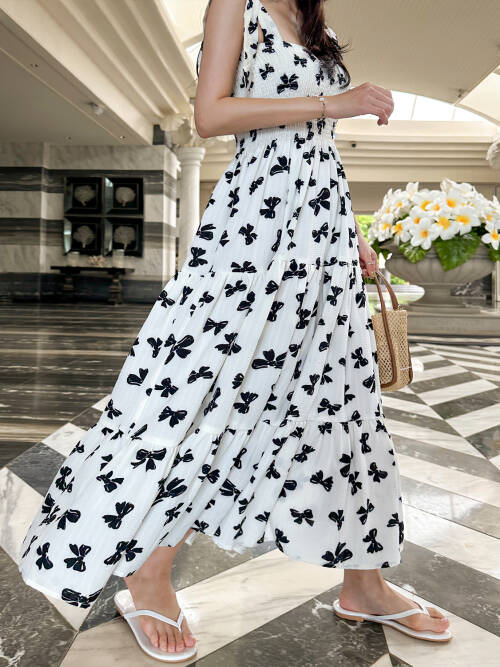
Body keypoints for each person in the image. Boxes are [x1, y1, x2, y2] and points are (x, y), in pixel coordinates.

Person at [18, 0, 451, 660]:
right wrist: (337, 102)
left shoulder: (315, 20)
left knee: (342, 401)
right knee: (209, 391)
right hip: (255, 230)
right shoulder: (236, 5)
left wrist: (352, 235)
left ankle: (364, 581)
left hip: (321, 234)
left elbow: (317, 150)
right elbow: (210, 115)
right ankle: (149, 570)